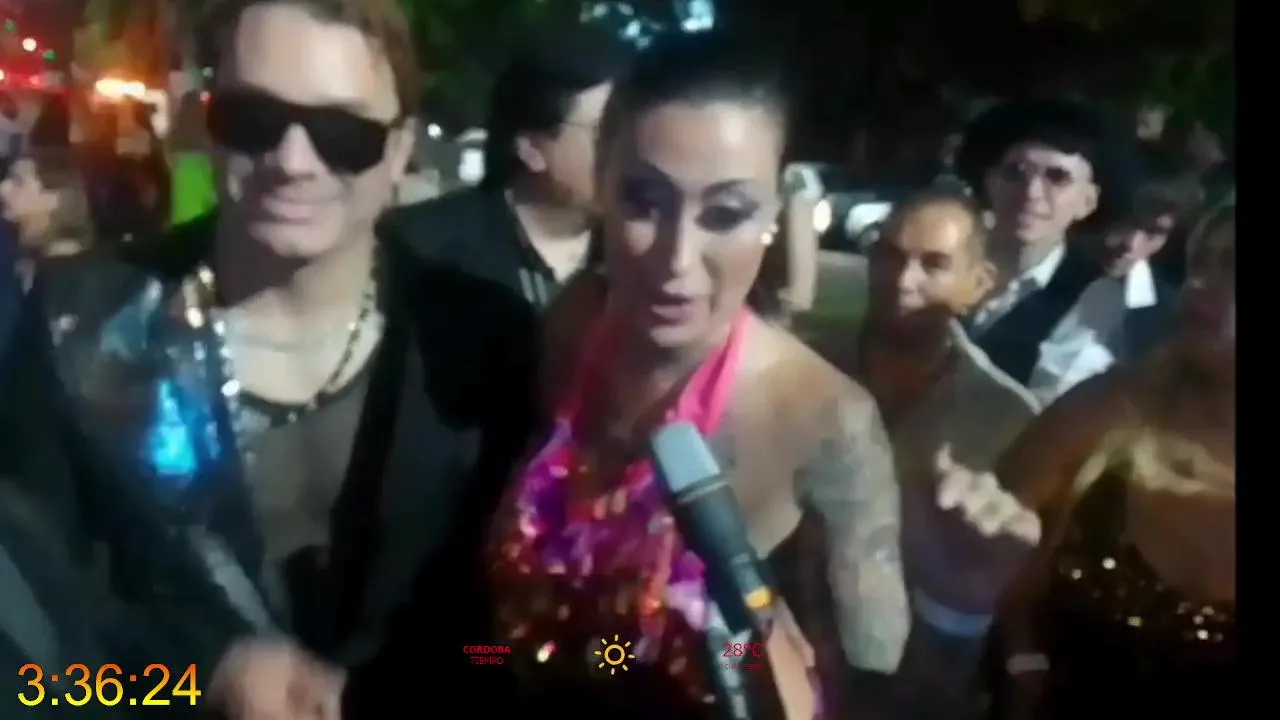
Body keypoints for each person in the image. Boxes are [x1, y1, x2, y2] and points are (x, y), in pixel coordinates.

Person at [0, 1, 536, 719]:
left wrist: (433, 685)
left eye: (344, 133)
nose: (292, 162)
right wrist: (200, 681)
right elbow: (32, 654)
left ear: (400, 149)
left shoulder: (482, 340)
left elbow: (502, 645)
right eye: (253, 119)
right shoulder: (80, 322)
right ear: (206, 122)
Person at [477, 31, 910, 718]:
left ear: (773, 213)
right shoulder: (575, 319)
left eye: (726, 214)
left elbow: (871, 666)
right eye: (644, 202)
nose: (676, 259)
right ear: (601, 186)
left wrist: (756, 656)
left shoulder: (824, 417)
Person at [986, 192, 1235, 718]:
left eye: (1231, 266)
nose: (1200, 284)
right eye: (1200, 264)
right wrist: (1021, 663)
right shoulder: (1106, 410)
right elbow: (989, 559)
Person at [811, 189, 1041, 717]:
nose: (902, 280)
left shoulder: (1007, 417)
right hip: (772, 644)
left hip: (911, 687)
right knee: (643, 662)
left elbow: (1011, 588)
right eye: (890, 255)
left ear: (978, 284)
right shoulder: (808, 366)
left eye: (933, 265)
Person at [391, 27, 631, 310]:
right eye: (606, 132)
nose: (629, 151)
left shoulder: (640, 257)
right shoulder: (418, 250)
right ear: (531, 149)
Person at [956, 98, 1147, 404]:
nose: (1030, 192)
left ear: (1088, 201)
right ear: (989, 181)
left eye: (1057, 178)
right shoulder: (931, 258)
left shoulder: (1093, 301)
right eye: (1014, 172)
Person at [0, 151, 95, 285]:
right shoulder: (17, 256)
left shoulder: (76, 280)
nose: (3, 188)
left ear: (56, 199)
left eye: (18, 181)